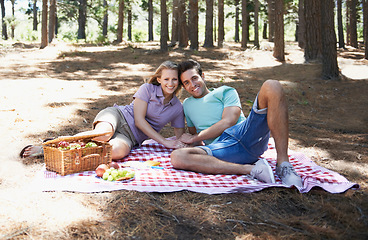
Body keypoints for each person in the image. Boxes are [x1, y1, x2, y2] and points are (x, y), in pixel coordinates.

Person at [171, 59, 303, 187]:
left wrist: (195, 137)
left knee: (272, 85)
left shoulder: (225, 91)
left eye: (194, 78)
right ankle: (252, 169)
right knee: (177, 157)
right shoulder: (187, 105)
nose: (192, 84)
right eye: (186, 82)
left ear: (203, 76)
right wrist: (187, 142)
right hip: (222, 149)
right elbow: (197, 138)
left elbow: (228, 121)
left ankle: (284, 165)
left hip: (246, 134)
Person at [20, 61, 186, 160]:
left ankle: (68, 152)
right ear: (159, 79)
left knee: (116, 151)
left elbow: (180, 137)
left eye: (174, 79)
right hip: (118, 117)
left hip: (129, 137)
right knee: (102, 135)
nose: (170, 83)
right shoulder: (147, 89)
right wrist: (164, 142)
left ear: (179, 82)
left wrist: (193, 141)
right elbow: (139, 121)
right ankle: (49, 146)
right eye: (166, 79)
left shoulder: (177, 108)